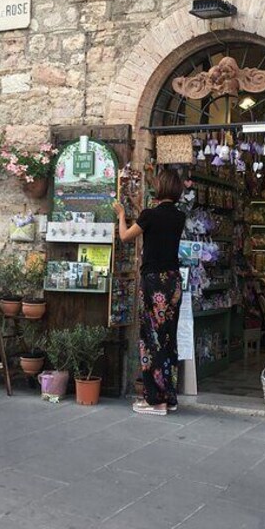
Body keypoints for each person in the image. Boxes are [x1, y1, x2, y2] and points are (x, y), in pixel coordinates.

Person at [113, 170, 186, 416]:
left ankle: (156, 401)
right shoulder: (179, 216)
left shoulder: (149, 216)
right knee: (167, 337)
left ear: (160, 188)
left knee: (150, 338)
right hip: (173, 282)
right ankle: (169, 396)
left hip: (154, 281)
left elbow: (125, 237)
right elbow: (156, 219)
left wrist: (122, 215)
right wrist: (139, 207)